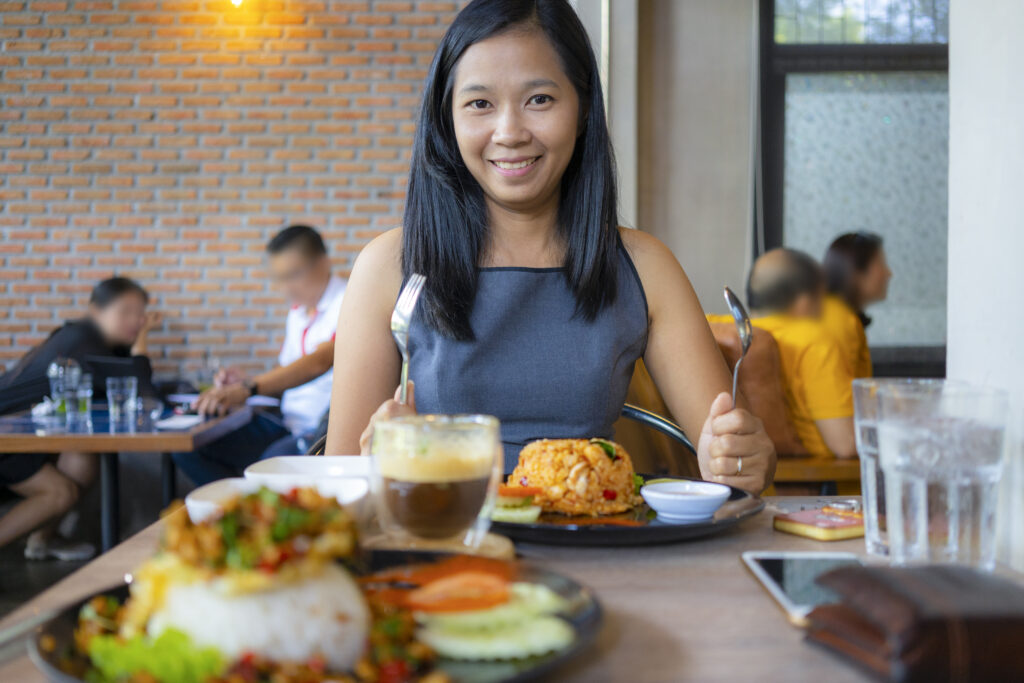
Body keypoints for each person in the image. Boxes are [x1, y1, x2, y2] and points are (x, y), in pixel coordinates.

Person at [324, 0, 776, 494]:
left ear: (581, 110)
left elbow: (728, 450)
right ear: (447, 121)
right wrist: (373, 464)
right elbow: (338, 478)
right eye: (479, 104)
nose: (510, 132)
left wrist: (744, 456)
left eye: (539, 99)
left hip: (597, 545)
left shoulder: (644, 267)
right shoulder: (390, 267)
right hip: (443, 542)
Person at [0, 277, 160, 559]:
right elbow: (143, 394)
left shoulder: (86, 339)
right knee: (61, 493)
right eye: (126, 311)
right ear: (95, 311)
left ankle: (42, 541)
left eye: (141, 314)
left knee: (83, 457)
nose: (136, 320)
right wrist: (144, 337)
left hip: (28, 431)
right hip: (9, 432)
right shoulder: (83, 341)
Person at [173, 225, 345, 485]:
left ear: (323, 263)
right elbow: (286, 374)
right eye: (279, 278)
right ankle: (242, 509)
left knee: (270, 462)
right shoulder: (298, 311)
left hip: (320, 432)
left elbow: (320, 361)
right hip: (286, 422)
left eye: (293, 275)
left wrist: (249, 387)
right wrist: (246, 383)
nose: (286, 288)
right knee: (189, 448)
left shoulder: (348, 301)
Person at [745, 248, 857, 459]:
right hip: (823, 483)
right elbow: (846, 444)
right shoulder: (812, 341)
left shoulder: (718, 330)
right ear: (805, 302)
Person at [822, 232, 892, 378]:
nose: (888, 273)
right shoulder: (839, 321)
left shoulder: (834, 313)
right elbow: (837, 397)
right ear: (857, 271)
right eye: (881, 264)